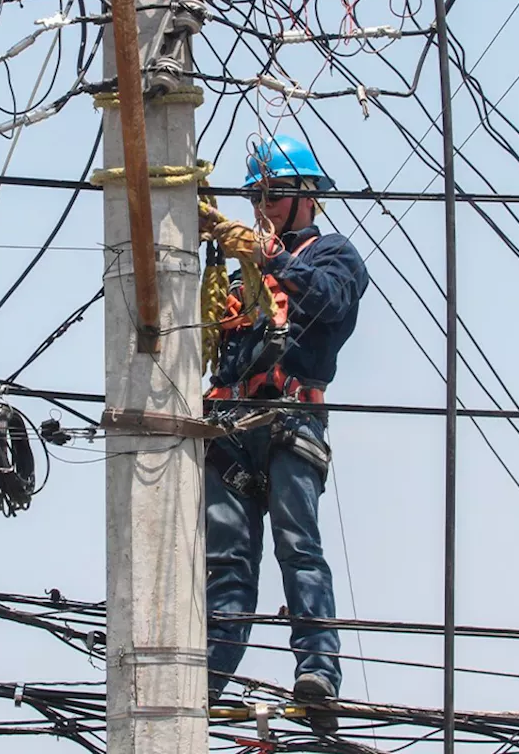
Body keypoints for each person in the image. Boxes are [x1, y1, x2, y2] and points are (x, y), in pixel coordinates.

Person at [203, 135, 369, 733]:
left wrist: (273, 258)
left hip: (290, 420)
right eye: (257, 194)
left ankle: (319, 673)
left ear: (306, 196)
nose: (263, 203)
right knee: (225, 564)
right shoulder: (241, 267)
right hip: (226, 427)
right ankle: (200, 682)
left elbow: (328, 301)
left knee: (299, 548)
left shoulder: (335, 255)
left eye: (274, 192)